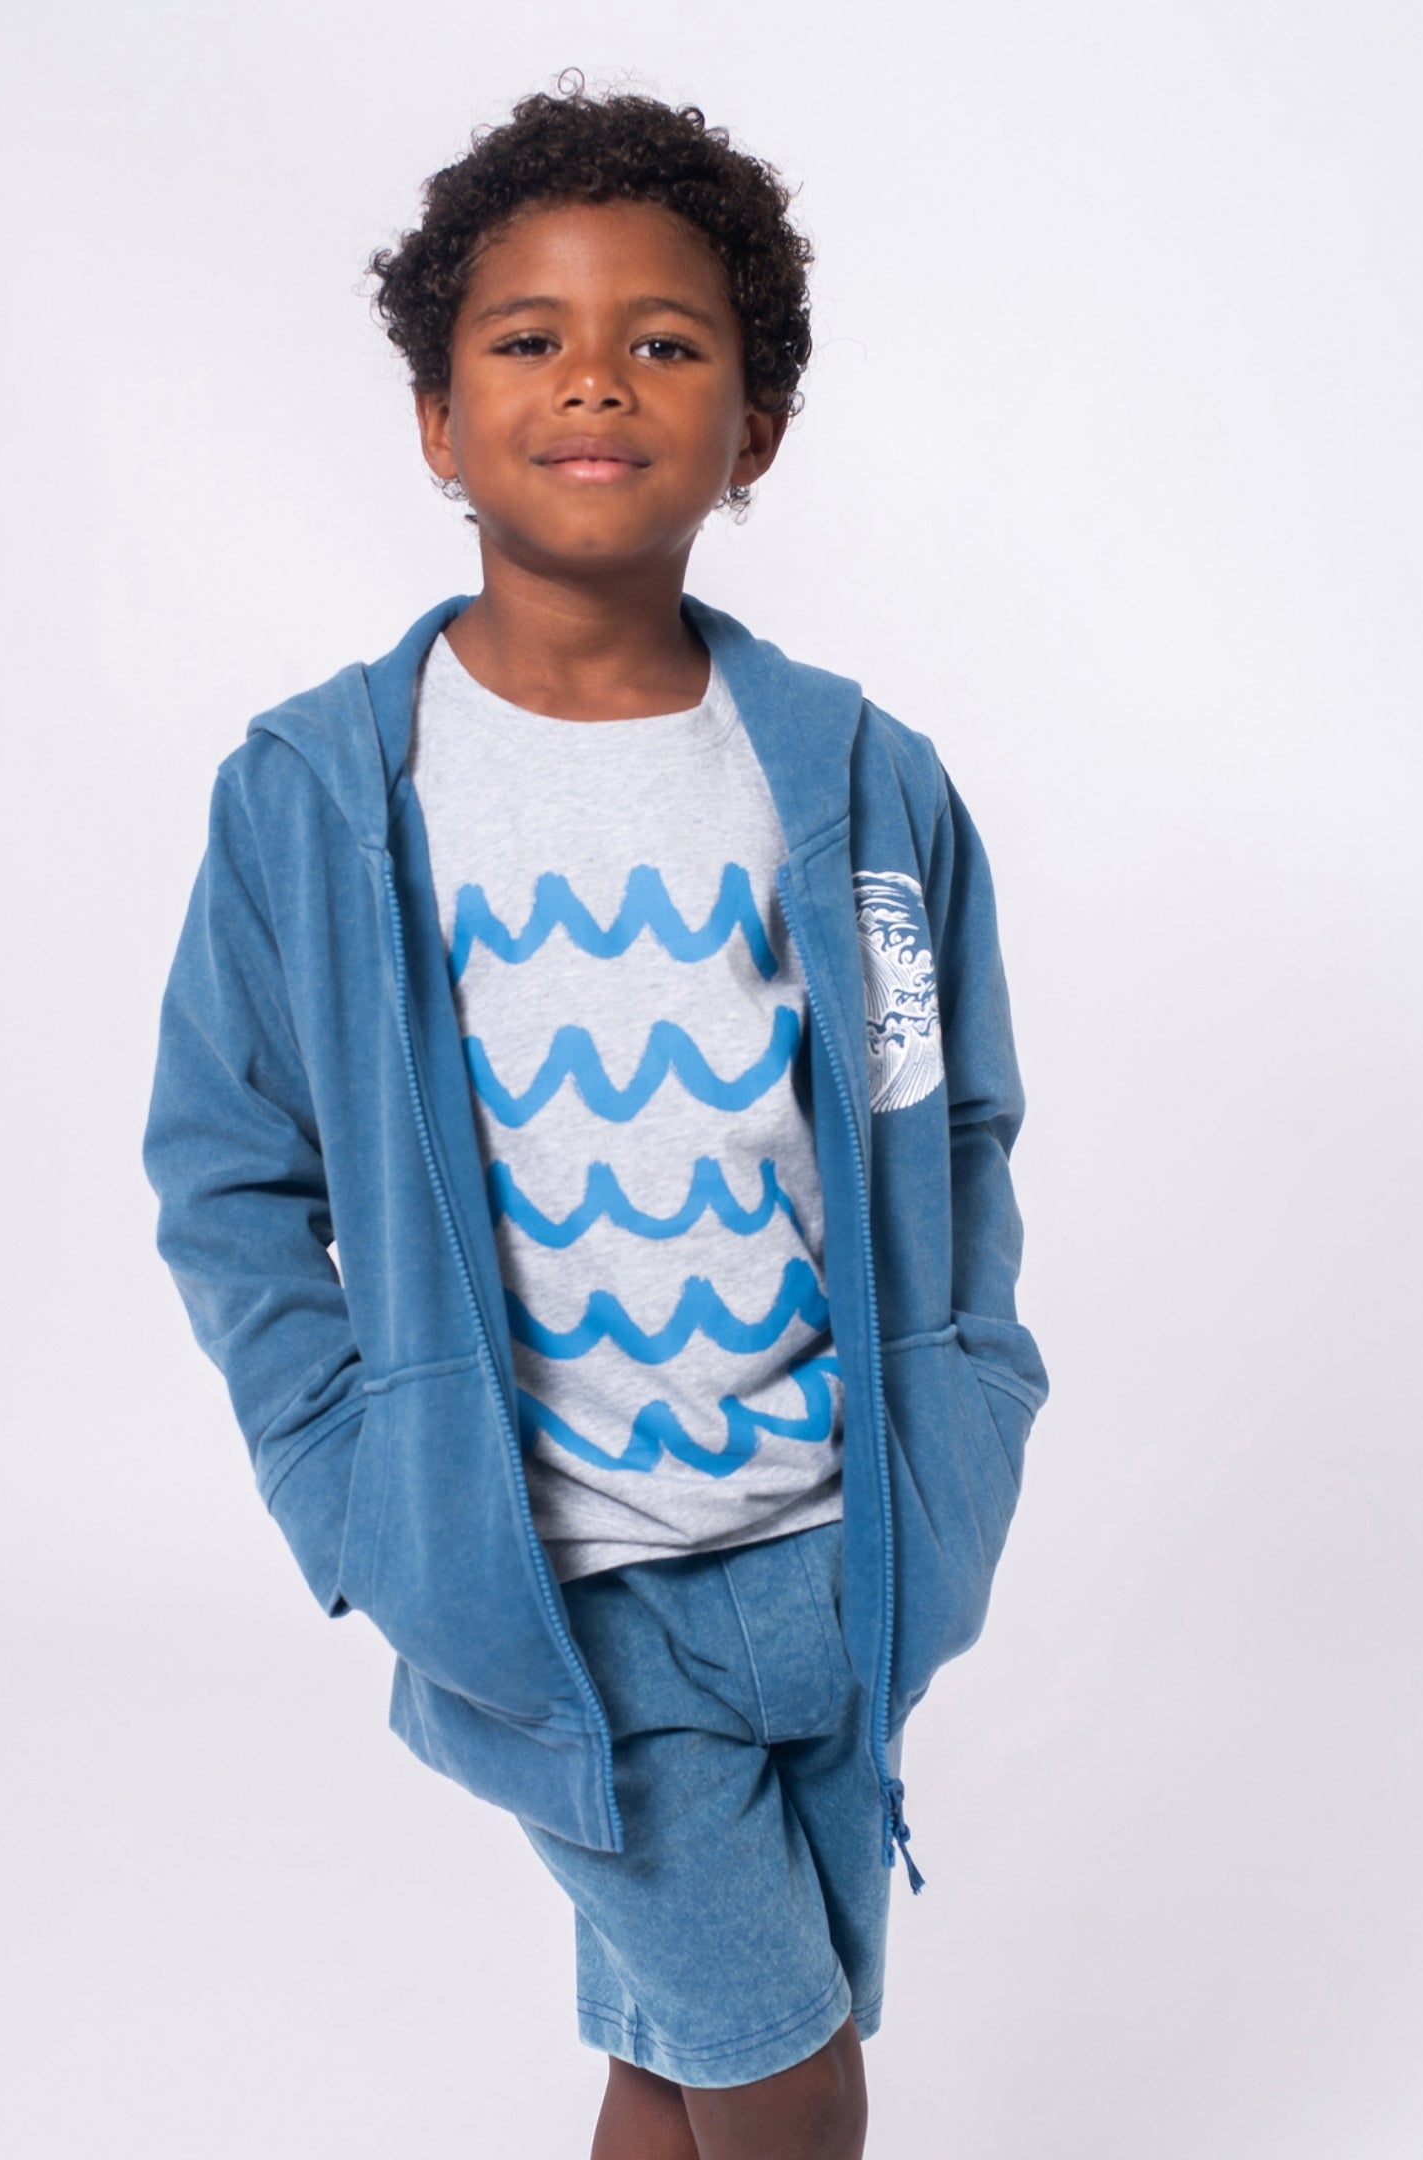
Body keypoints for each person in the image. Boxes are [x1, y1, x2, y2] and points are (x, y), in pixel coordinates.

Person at [143, 80, 1047, 2160]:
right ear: (438, 419)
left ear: (758, 426)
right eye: (528, 336)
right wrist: (355, 1487)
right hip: (567, 1595)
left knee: (677, 2053)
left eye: (665, 338)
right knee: (789, 2082)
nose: (595, 379)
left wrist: (967, 1406)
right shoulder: (321, 795)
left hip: (839, 1559)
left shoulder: (862, 780)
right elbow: (229, 1173)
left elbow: (951, 1116)